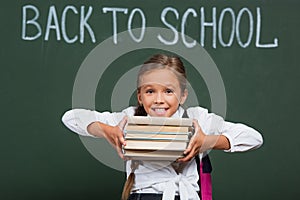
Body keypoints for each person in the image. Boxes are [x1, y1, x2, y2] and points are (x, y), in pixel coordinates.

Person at [62, 54, 263, 200]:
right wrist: (107, 131)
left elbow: (254, 138)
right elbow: (71, 118)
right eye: (150, 91)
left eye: (168, 91)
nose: (159, 100)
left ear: (183, 95)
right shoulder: (129, 118)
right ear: (140, 96)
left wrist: (207, 141)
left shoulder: (197, 118)